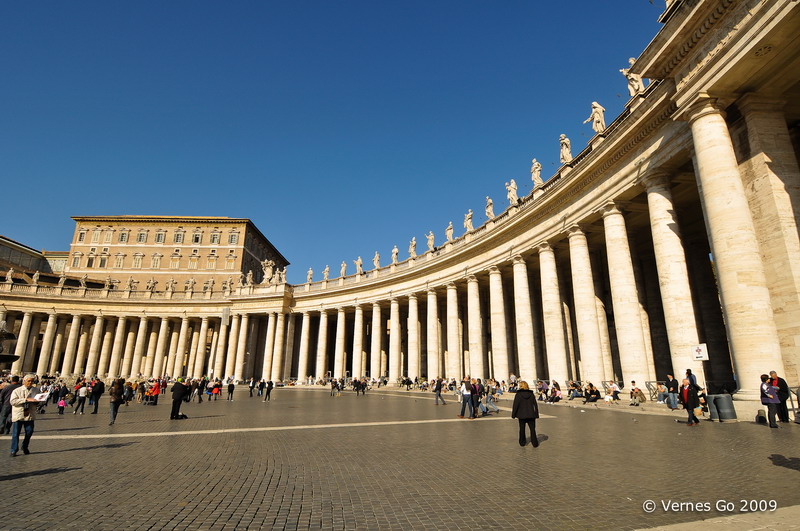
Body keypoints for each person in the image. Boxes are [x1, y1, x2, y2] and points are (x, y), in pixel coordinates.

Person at [10, 374, 42, 456]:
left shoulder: (36, 390)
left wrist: (38, 402)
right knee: (15, 433)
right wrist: (25, 399)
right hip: (19, 414)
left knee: (29, 432)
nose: (30, 383)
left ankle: (24, 446)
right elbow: (13, 401)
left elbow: (40, 401)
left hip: (30, 414)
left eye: (32, 381)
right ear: (24, 381)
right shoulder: (17, 390)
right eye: (29, 381)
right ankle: (14, 450)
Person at [511, 381, 539, 447]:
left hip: (521, 414)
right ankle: (535, 443)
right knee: (532, 429)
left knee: (522, 429)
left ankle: (522, 442)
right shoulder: (531, 394)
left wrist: (513, 414)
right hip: (531, 414)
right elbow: (535, 404)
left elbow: (515, 405)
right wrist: (536, 414)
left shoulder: (518, 394)